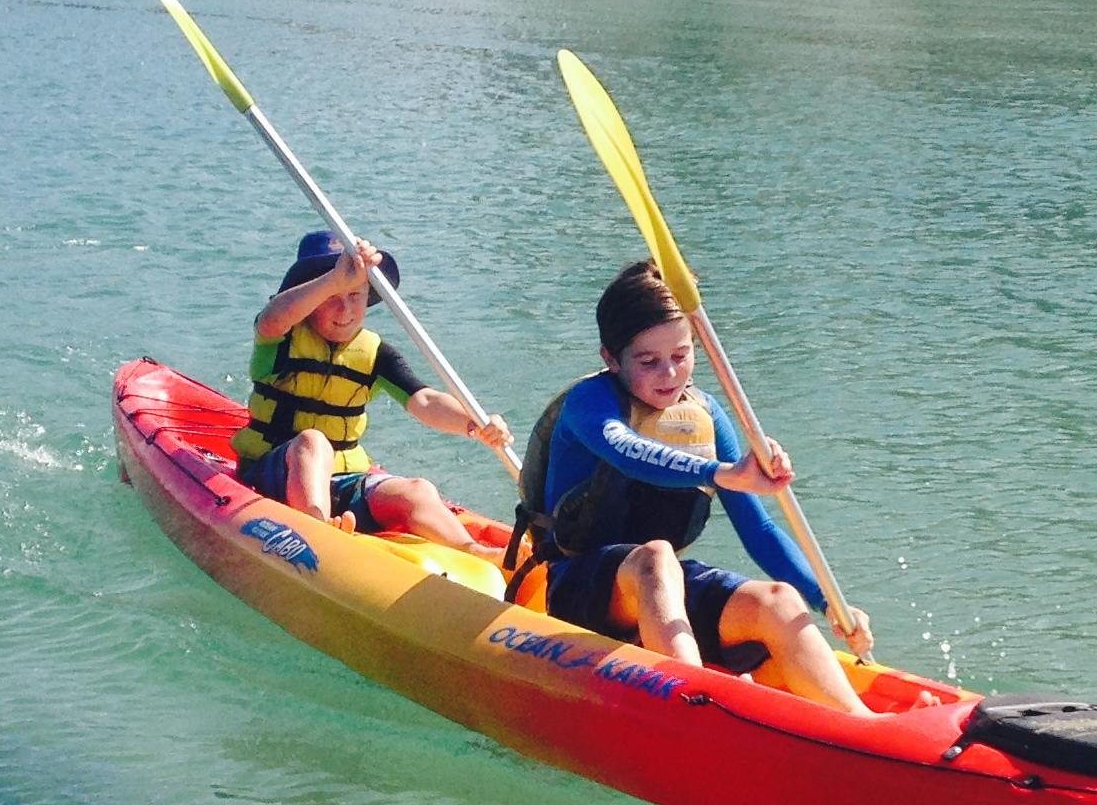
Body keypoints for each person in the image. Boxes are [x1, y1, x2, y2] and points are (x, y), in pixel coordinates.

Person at [508, 259, 873, 715]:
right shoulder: (590, 403)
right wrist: (721, 472)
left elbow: (757, 530)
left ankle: (862, 726)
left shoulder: (706, 414)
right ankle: (696, 710)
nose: (669, 375)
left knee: (778, 600)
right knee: (657, 557)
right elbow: (626, 449)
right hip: (582, 588)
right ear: (610, 358)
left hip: (663, 596)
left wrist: (827, 601)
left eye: (681, 355)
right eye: (648, 361)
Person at [233, 229, 511, 549]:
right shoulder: (280, 339)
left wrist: (475, 423)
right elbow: (270, 319)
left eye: (355, 296)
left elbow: (425, 399)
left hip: (343, 481)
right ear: (311, 297)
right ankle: (320, 532)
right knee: (312, 441)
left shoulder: (375, 353)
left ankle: (475, 552)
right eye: (332, 298)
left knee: (418, 490)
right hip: (272, 473)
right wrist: (335, 280)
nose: (345, 311)